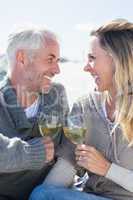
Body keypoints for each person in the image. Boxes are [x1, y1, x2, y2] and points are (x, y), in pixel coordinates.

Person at [29, 19, 133, 200]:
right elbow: (68, 164)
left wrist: (107, 169)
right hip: (89, 195)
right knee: (41, 193)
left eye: (92, 58)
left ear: (117, 60)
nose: (86, 67)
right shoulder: (85, 105)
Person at [0, 26, 70, 200]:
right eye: (50, 59)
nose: (57, 70)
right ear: (22, 58)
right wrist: (32, 152)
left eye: (58, 61)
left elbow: (69, 145)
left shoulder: (57, 94)